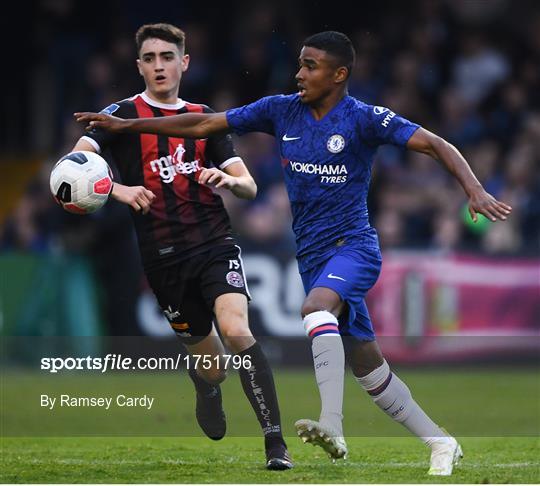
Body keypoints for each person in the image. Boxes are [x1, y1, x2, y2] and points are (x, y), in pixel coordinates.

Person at [75, 31, 512, 476]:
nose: (299, 73)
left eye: (310, 66)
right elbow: (205, 125)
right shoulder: (280, 110)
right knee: (368, 367)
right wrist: (129, 127)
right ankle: (441, 442)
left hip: (354, 246)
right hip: (313, 257)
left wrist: (473, 191)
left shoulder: (365, 119)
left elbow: (437, 144)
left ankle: (332, 424)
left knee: (314, 308)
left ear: (338, 75)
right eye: (300, 63)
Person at [69, 23, 293, 470]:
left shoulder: (204, 116)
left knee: (236, 331)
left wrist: (229, 179)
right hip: (163, 257)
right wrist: (119, 190)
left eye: (167, 57)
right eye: (149, 58)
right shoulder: (121, 115)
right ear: (138, 66)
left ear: (184, 62)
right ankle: (207, 385)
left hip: (214, 242)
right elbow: (72, 165)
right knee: (212, 363)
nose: (159, 66)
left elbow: (247, 186)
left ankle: (275, 445)